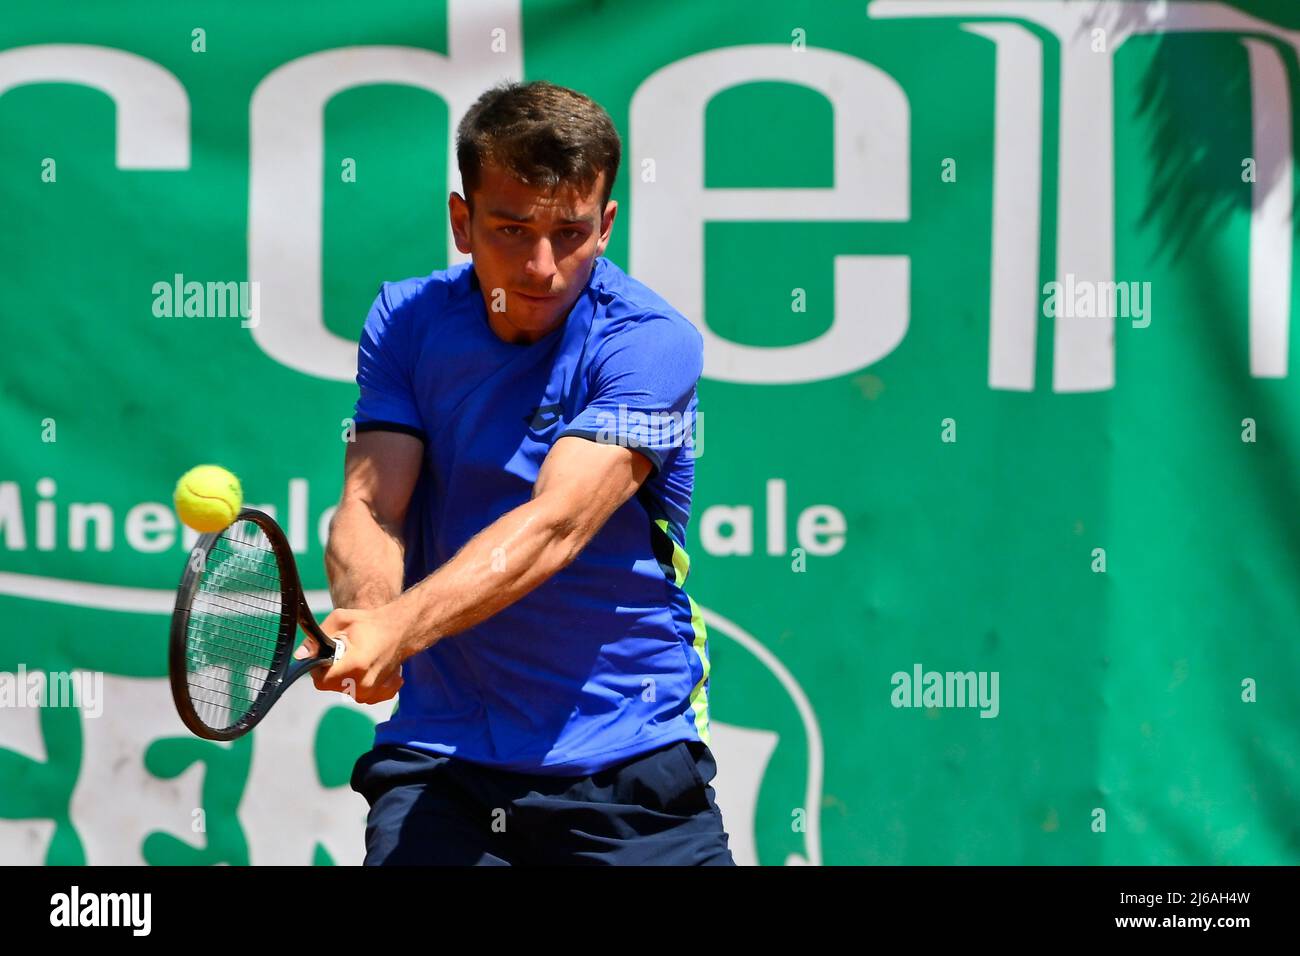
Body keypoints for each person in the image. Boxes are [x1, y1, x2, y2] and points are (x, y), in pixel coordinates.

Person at [294, 79, 733, 865]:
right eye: (510, 228)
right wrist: (370, 612)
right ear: (462, 223)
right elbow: (373, 504)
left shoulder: (652, 342)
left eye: (569, 232)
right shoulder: (408, 321)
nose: (542, 265)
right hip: (444, 763)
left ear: (606, 225)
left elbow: (555, 527)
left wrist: (400, 628)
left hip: (626, 760)